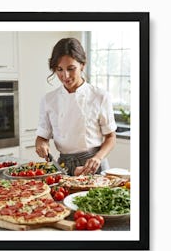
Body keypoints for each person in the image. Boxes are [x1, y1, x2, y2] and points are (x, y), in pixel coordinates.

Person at [35, 37, 117, 176]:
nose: (65, 76)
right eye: (59, 69)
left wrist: (97, 157)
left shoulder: (100, 96)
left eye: (71, 69)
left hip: (93, 166)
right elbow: (42, 136)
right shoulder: (48, 100)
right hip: (63, 166)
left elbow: (111, 137)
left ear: (82, 65)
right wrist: (41, 144)